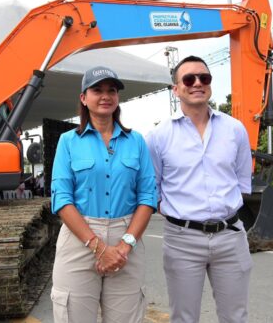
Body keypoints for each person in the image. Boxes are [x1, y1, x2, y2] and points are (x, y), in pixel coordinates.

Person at [145, 56, 253, 323]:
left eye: (204, 78)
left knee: (235, 316)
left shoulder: (234, 130)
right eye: (188, 79)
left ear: (210, 85)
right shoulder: (159, 137)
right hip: (182, 239)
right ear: (176, 88)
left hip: (230, 236)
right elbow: (154, 188)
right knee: (184, 317)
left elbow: (241, 181)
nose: (197, 84)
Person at [50, 66, 157, 323]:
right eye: (97, 90)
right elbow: (62, 199)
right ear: (84, 98)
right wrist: (98, 247)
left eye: (111, 90)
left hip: (126, 241)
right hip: (80, 237)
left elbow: (147, 196)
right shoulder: (68, 141)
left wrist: (124, 244)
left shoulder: (136, 141)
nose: (105, 95)